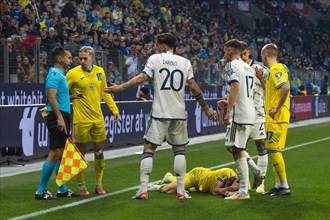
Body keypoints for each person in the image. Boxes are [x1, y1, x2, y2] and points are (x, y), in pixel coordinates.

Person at [104, 33, 217, 200]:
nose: (156, 48)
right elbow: (193, 87)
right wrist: (206, 108)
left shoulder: (155, 59)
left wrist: (120, 88)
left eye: (158, 45)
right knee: (179, 150)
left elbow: (141, 78)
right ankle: (181, 191)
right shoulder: (185, 62)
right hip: (178, 113)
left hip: (159, 112)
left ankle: (143, 190)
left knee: (149, 149)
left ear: (163, 46)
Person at [66, 46, 120, 196]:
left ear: (92, 58)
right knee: (80, 155)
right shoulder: (72, 74)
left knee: (99, 152)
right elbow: (62, 92)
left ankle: (98, 184)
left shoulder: (99, 72)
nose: (82, 61)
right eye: (80, 58)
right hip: (81, 120)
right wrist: (71, 98)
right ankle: (81, 185)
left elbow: (106, 92)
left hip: (97, 119)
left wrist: (114, 109)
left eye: (85, 58)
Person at [35, 47, 79, 199]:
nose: (70, 60)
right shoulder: (54, 74)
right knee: (55, 152)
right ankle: (40, 191)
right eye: (68, 57)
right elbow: (51, 98)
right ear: (60, 59)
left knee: (61, 153)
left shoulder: (60, 74)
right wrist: (60, 118)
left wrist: (72, 97)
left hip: (61, 115)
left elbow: (58, 97)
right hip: (57, 117)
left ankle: (62, 189)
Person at [217, 39, 257, 200]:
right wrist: (230, 102)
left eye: (224, 50)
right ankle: (252, 173)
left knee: (235, 148)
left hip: (239, 114)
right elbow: (251, 93)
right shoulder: (248, 67)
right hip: (249, 111)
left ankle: (243, 191)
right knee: (234, 146)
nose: (223, 53)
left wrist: (229, 110)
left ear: (229, 51)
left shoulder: (232, 65)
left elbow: (235, 87)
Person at [256, 43, 291, 196]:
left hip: (276, 117)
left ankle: (284, 185)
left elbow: (286, 88)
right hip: (275, 117)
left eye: (261, 56)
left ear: (265, 55)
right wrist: (261, 79)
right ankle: (278, 185)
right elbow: (272, 89)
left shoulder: (276, 69)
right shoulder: (276, 70)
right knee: (272, 151)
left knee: (273, 150)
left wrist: (276, 108)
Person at [241, 42, 268, 193]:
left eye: (244, 52)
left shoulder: (260, 68)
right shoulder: (235, 67)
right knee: (238, 147)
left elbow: (269, 89)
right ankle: (248, 179)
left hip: (258, 113)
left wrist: (262, 79)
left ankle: (261, 183)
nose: (242, 56)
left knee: (261, 144)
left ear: (248, 52)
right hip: (242, 113)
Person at [149, 167, 239, 198]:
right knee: (166, 190)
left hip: (201, 186)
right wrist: (230, 189)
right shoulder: (227, 172)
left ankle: (170, 178)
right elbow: (215, 191)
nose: (227, 194)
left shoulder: (242, 185)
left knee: (184, 188)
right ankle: (158, 186)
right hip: (198, 175)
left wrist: (232, 192)